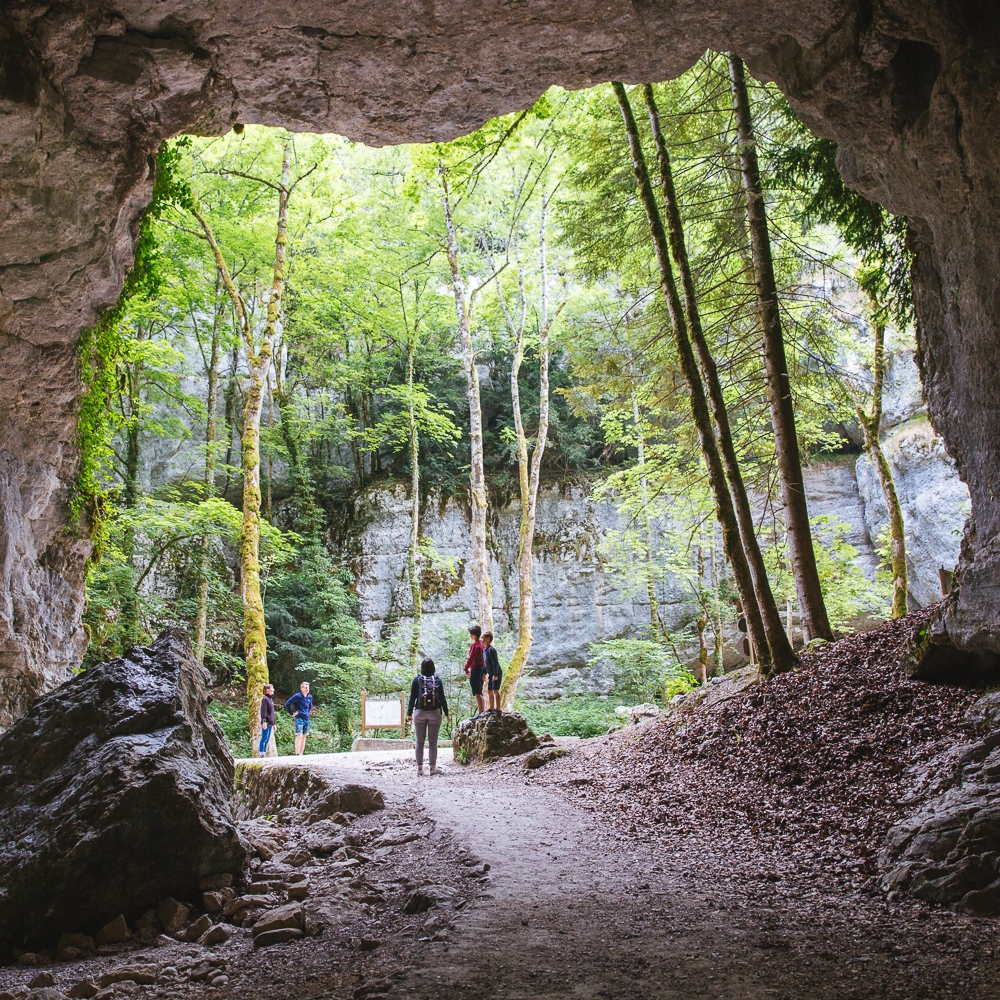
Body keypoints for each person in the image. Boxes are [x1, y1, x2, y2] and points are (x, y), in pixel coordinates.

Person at [407, 657, 451, 776]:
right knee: (433, 742)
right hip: (435, 713)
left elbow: (412, 698)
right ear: (433, 668)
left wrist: (409, 713)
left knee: (419, 741)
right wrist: (446, 714)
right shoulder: (437, 680)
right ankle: (432, 768)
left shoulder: (417, 680)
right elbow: (442, 698)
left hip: (420, 713)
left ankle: (420, 769)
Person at [284, 680, 313, 756]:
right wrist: (292, 713)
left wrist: (308, 713)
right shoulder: (297, 696)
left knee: (304, 735)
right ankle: (297, 753)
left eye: (308, 687)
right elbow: (287, 704)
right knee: (299, 735)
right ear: (302, 688)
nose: (307, 689)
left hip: (306, 718)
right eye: (306, 687)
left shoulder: (310, 697)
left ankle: (301, 753)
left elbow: (310, 706)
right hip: (299, 717)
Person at [463, 625, 486, 717]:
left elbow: (471, 658)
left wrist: (466, 668)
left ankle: (481, 713)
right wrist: (485, 672)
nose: (470, 636)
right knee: (480, 691)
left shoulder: (475, 645)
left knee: (477, 692)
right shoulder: (482, 645)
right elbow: (485, 660)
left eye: (471, 634)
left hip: (476, 669)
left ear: (474, 635)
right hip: (481, 669)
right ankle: (482, 711)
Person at [482, 631, 502, 713]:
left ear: (488, 639)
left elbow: (495, 663)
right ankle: (491, 708)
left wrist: (495, 674)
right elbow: (485, 663)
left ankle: (498, 709)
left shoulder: (491, 650)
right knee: (489, 690)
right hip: (490, 673)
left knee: (495, 690)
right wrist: (484, 673)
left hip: (496, 672)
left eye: (483, 638)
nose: (481, 640)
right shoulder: (484, 651)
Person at [258, 683, 276, 756]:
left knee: (267, 738)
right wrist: (264, 721)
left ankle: (264, 752)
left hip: (270, 722)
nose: (273, 690)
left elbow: (272, 712)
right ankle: (262, 752)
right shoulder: (265, 699)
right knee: (264, 738)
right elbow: (263, 710)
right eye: (272, 689)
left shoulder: (270, 699)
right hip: (267, 721)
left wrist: (274, 723)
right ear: (267, 690)